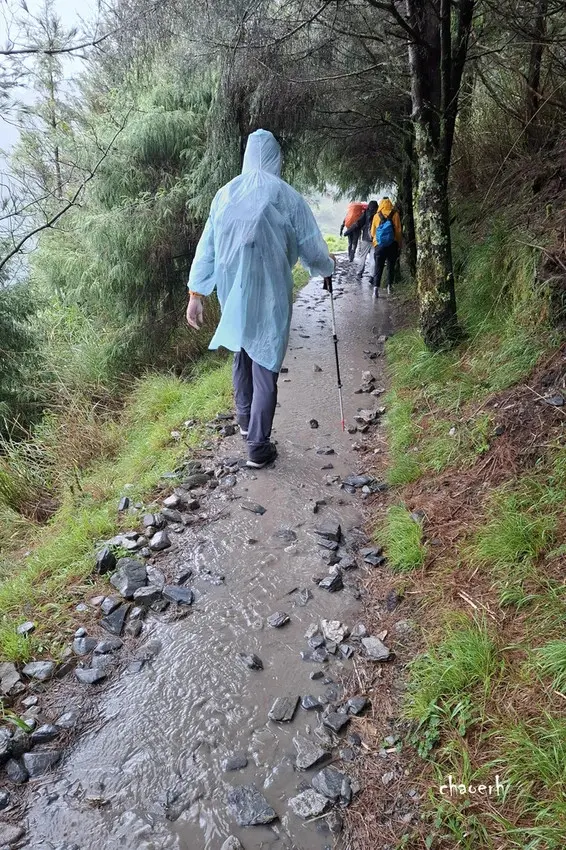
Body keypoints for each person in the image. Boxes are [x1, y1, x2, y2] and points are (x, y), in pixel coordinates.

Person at [186, 129, 335, 469]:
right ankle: (257, 446)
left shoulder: (224, 195)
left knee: (243, 349)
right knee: (265, 357)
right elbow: (312, 243)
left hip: (233, 288)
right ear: (275, 158)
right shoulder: (286, 195)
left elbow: (206, 249)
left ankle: (243, 419)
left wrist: (196, 294)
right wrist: (325, 267)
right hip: (270, 290)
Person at [370, 197, 402, 297]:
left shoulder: (376, 215)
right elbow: (398, 231)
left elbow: (372, 232)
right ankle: (389, 287)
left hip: (379, 246)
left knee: (378, 267)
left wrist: (376, 242)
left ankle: (375, 289)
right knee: (390, 267)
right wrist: (399, 243)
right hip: (392, 244)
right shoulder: (395, 214)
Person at [345, 199, 378, 280]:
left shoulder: (366, 213)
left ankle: (359, 273)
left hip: (366, 238)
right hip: (376, 240)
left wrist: (348, 231)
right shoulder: (379, 214)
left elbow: (358, 223)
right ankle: (372, 276)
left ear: (369, 207)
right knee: (373, 258)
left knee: (362, 256)